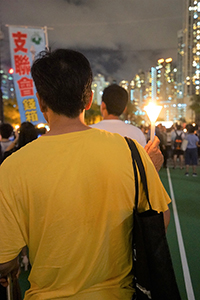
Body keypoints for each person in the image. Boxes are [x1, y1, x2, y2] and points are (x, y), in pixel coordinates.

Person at [0, 49, 171, 300]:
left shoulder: (13, 167)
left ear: (40, 101)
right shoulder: (131, 151)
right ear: (89, 99)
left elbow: (4, 260)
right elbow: (159, 222)